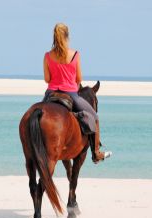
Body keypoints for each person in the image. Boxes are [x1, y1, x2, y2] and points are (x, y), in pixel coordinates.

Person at [43, 23, 111, 163]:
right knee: (94, 116)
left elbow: (47, 79)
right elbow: (79, 78)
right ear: (67, 36)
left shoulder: (48, 56)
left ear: (54, 37)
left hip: (50, 94)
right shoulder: (75, 55)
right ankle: (96, 152)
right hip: (71, 94)